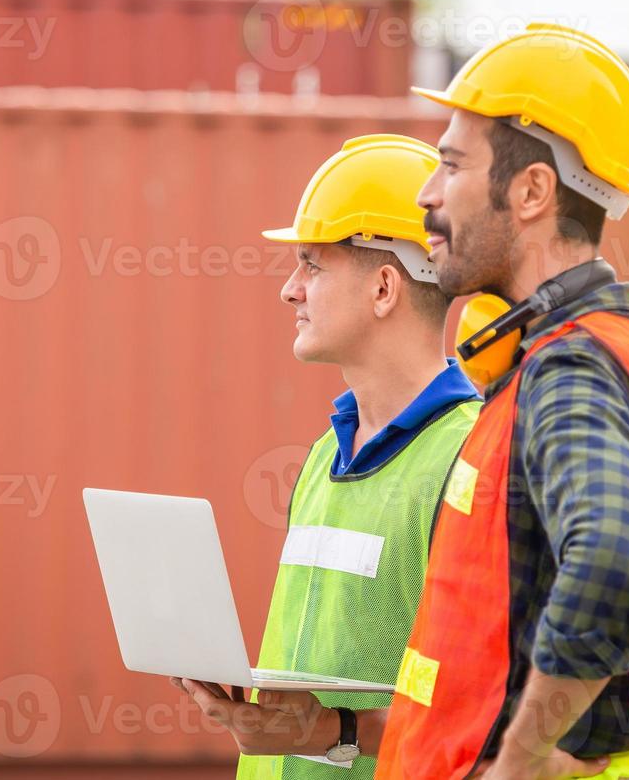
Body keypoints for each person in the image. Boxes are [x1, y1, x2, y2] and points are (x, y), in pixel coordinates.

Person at [377, 23, 629, 779]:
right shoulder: (607, 353)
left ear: (532, 191)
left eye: (452, 165)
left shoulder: (570, 369)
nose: (427, 195)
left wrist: (522, 757)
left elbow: (618, 557)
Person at [173, 134, 480, 778]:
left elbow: (484, 714)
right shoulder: (323, 456)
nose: (290, 291)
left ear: (385, 288)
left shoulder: (471, 459)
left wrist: (325, 733)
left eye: (312, 265)